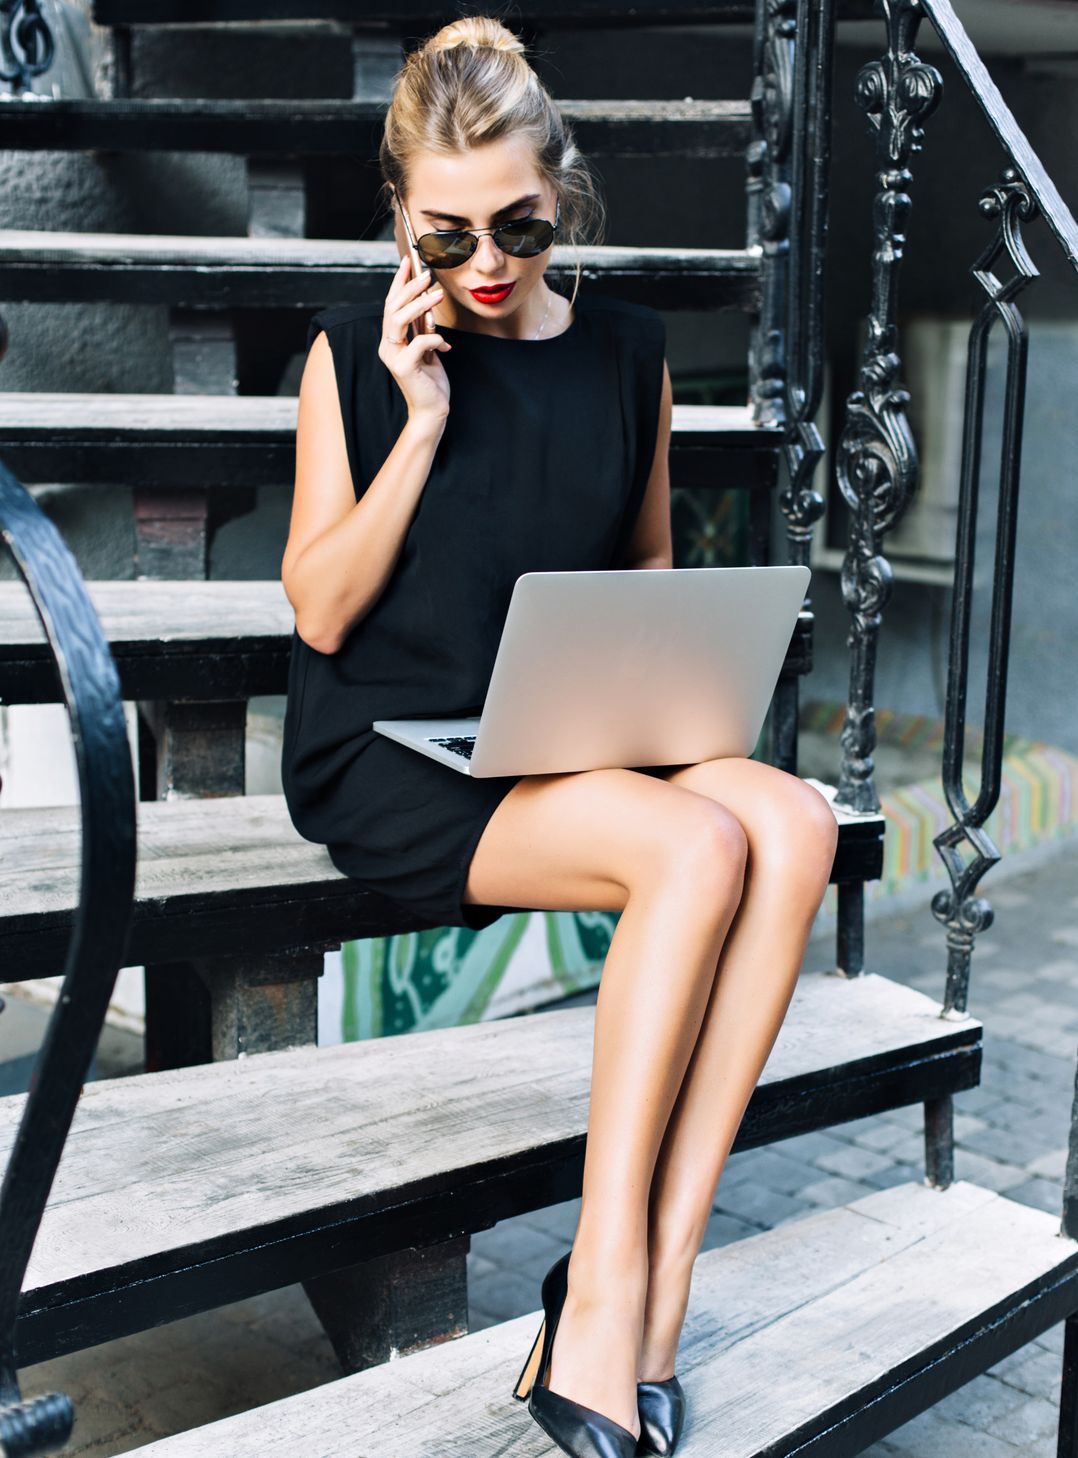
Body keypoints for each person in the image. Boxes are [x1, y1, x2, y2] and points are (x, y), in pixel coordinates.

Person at [280, 15, 839, 1457]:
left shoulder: (628, 354)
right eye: (447, 233)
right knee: (695, 843)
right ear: (400, 219)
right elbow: (324, 611)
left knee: (788, 817)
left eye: (517, 230)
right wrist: (414, 421)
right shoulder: (349, 358)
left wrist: (662, 709)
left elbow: (637, 582)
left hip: (558, 730)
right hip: (396, 751)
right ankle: (595, 1286)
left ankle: (655, 1274)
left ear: (560, 196)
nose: (483, 265)